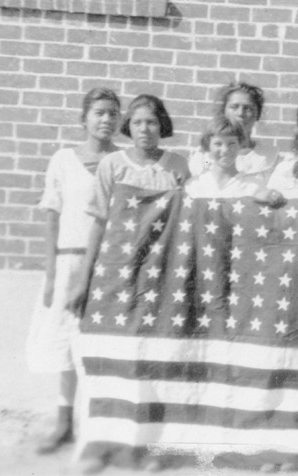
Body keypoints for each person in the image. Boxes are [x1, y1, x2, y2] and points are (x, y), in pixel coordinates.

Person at [28, 86, 120, 454]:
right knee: (65, 344)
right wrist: (52, 276)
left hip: (108, 265)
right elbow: (52, 216)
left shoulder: (123, 161)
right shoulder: (64, 160)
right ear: (84, 118)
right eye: (99, 112)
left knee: (100, 348)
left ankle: (98, 427)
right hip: (69, 261)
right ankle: (64, 421)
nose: (106, 119)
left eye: (113, 113)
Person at [68, 95, 190, 313]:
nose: (144, 129)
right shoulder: (112, 165)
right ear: (129, 127)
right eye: (137, 122)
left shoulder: (178, 166)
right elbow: (99, 222)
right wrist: (83, 281)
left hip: (161, 266)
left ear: (162, 125)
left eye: (151, 122)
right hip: (119, 264)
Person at [186, 81, 274, 182]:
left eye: (248, 108)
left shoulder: (269, 158)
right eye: (234, 107)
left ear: (257, 114)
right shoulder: (204, 157)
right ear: (223, 111)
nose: (240, 113)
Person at [184, 117, 272, 202]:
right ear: (208, 145)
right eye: (218, 144)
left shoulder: (253, 187)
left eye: (232, 143)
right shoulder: (193, 185)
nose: (225, 150)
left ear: (240, 144)